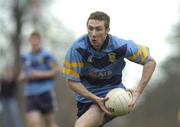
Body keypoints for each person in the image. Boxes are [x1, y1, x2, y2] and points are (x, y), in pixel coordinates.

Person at [63, 11, 156, 127]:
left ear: (107, 30)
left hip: (111, 97)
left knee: (81, 125)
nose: (93, 34)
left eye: (98, 29)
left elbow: (150, 62)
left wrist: (138, 91)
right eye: (90, 28)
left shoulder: (121, 46)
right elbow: (72, 82)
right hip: (86, 99)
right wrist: (95, 98)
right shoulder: (77, 49)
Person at [18, 31, 59, 127]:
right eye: (32, 39)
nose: (34, 42)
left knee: (49, 124)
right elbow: (21, 76)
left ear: (39, 41)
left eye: (36, 40)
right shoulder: (26, 57)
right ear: (29, 40)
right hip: (30, 94)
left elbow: (56, 71)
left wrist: (40, 74)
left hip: (45, 92)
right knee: (33, 123)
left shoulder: (47, 56)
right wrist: (24, 76)